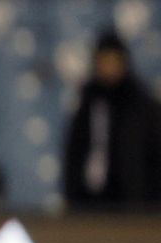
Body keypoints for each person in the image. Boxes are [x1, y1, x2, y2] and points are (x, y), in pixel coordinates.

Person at [63, 30, 161, 210]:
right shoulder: (88, 100)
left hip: (131, 200)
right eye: (103, 61)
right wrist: (72, 193)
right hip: (88, 198)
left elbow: (152, 155)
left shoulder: (141, 105)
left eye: (113, 61)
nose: (108, 67)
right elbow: (75, 152)